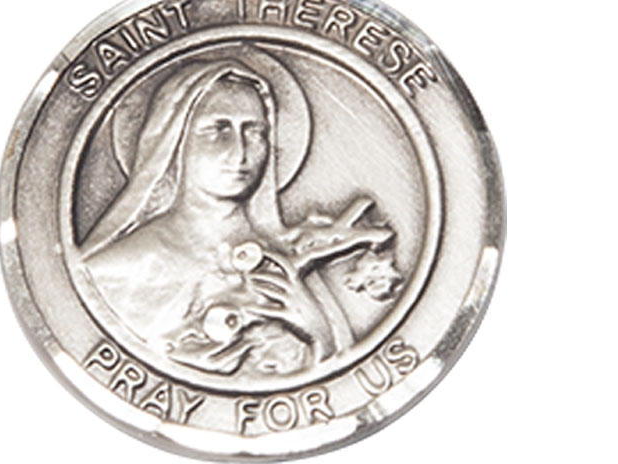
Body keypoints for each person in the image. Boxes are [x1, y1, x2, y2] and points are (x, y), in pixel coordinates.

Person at [80, 58, 396, 377]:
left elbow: (339, 374)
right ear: (175, 139)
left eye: (255, 133)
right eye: (217, 130)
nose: (240, 153)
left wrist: (313, 325)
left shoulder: (284, 261)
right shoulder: (114, 270)